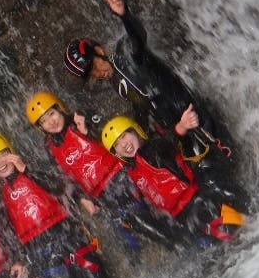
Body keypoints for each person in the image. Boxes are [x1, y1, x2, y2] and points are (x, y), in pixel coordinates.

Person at [63, 0, 233, 167]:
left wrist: (124, 15)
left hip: (195, 115)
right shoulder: (115, 82)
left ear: (99, 51)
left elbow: (138, 38)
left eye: (94, 67)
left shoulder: (124, 52)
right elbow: (142, 105)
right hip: (180, 130)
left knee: (229, 159)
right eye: (91, 75)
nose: (97, 74)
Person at [26, 91, 195, 254]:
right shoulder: (49, 147)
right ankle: (179, 245)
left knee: (148, 213)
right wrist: (84, 199)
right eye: (44, 121)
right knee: (133, 230)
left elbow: (116, 136)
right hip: (102, 195)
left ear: (60, 108)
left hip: (123, 175)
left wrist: (88, 131)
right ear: (41, 127)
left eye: (52, 114)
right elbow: (65, 178)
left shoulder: (81, 118)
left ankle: (183, 241)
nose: (51, 122)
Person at [0, 132, 117, 278]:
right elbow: (1, 228)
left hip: (66, 234)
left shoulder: (33, 167)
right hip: (39, 252)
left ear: (11, 151)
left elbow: (59, 186)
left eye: (2, 155)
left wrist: (26, 170)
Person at [101, 105, 246, 243]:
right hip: (185, 221)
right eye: (117, 144)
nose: (123, 144)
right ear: (117, 153)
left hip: (200, 200)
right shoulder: (132, 173)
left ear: (135, 131)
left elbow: (169, 141)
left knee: (239, 225)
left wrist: (182, 126)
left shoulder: (154, 148)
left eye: (124, 136)